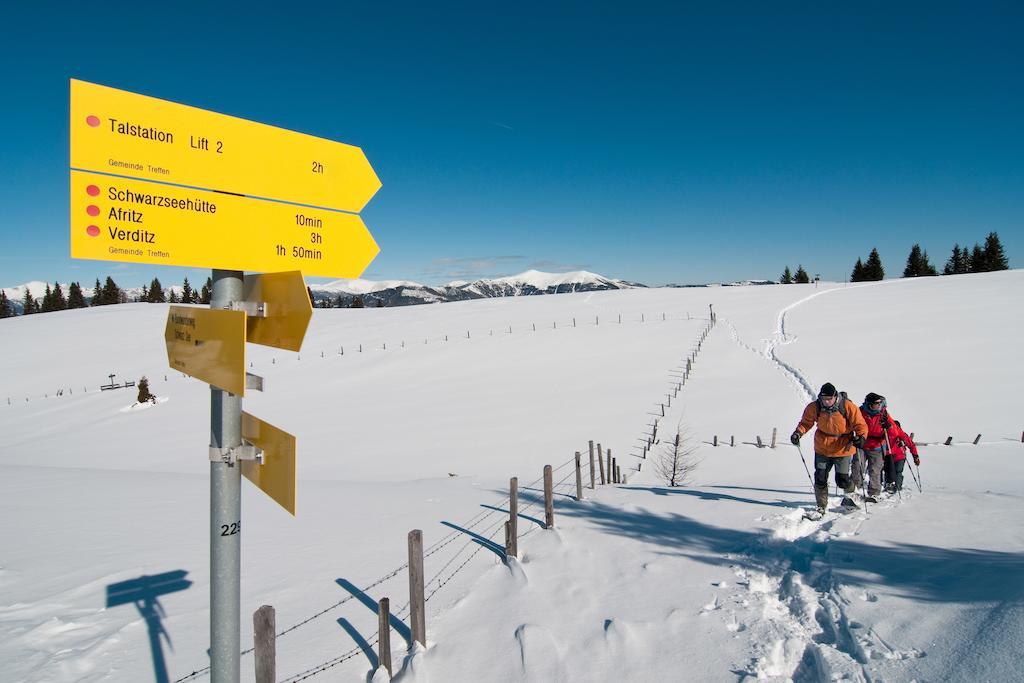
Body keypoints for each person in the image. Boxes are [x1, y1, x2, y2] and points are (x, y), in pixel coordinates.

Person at [791, 382, 869, 512]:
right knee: (820, 478)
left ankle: (850, 497)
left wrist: (862, 437)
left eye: (829, 399)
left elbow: (860, 424)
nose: (826, 402)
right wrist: (798, 433)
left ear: (835, 396)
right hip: (823, 448)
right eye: (824, 399)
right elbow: (806, 422)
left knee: (842, 480)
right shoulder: (815, 407)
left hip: (843, 448)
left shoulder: (847, 406)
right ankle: (821, 506)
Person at [883, 419, 919, 492]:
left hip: (900, 456)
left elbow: (911, 445)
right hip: (889, 455)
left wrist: (915, 456)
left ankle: (897, 486)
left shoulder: (902, 435)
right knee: (888, 471)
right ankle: (889, 485)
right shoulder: (886, 434)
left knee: (898, 471)